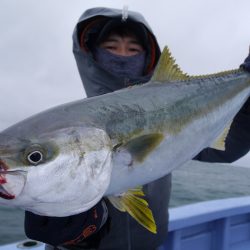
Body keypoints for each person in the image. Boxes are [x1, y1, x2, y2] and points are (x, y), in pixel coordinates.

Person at [25, 7, 250, 250]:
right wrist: (74, 233)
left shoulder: (172, 110)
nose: (122, 56)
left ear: (148, 58)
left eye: (133, 50)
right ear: (92, 55)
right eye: (112, 47)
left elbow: (227, 147)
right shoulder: (69, 126)